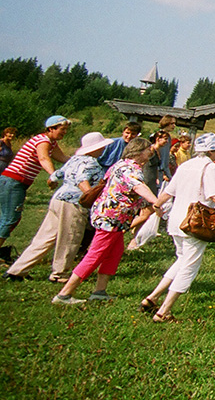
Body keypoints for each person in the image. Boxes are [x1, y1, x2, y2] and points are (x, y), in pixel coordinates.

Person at [140, 133, 215, 322]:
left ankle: (152, 298)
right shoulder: (210, 168)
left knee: (182, 259)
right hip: (194, 222)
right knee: (190, 266)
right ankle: (164, 311)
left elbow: (169, 192)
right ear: (211, 151)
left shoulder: (186, 165)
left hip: (176, 220)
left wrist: (156, 206)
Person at [51, 138, 162, 304]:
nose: (150, 153)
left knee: (114, 253)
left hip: (115, 218)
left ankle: (100, 291)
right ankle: (64, 294)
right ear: (139, 152)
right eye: (148, 150)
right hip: (111, 218)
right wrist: (156, 201)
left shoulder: (120, 164)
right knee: (95, 255)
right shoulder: (130, 168)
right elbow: (137, 186)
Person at [4, 131, 109, 282]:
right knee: (70, 238)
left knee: (44, 237)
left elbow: (56, 175)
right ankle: (60, 274)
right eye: (101, 147)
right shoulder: (91, 163)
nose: (103, 150)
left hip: (58, 200)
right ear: (95, 148)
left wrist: (53, 181)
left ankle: (17, 270)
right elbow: (82, 180)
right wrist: (91, 197)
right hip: (73, 203)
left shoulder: (75, 159)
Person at [0, 115, 71, 261]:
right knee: (10, 219)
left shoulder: (50, 143)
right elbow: (44, 158)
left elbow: (63, 158)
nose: (64, 132)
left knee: (10, 218)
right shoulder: (43, 141)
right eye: (62, 129)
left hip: (16, 183)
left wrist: (81, 160)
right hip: (13, 182)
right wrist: (53, 175)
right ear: (51, 129)